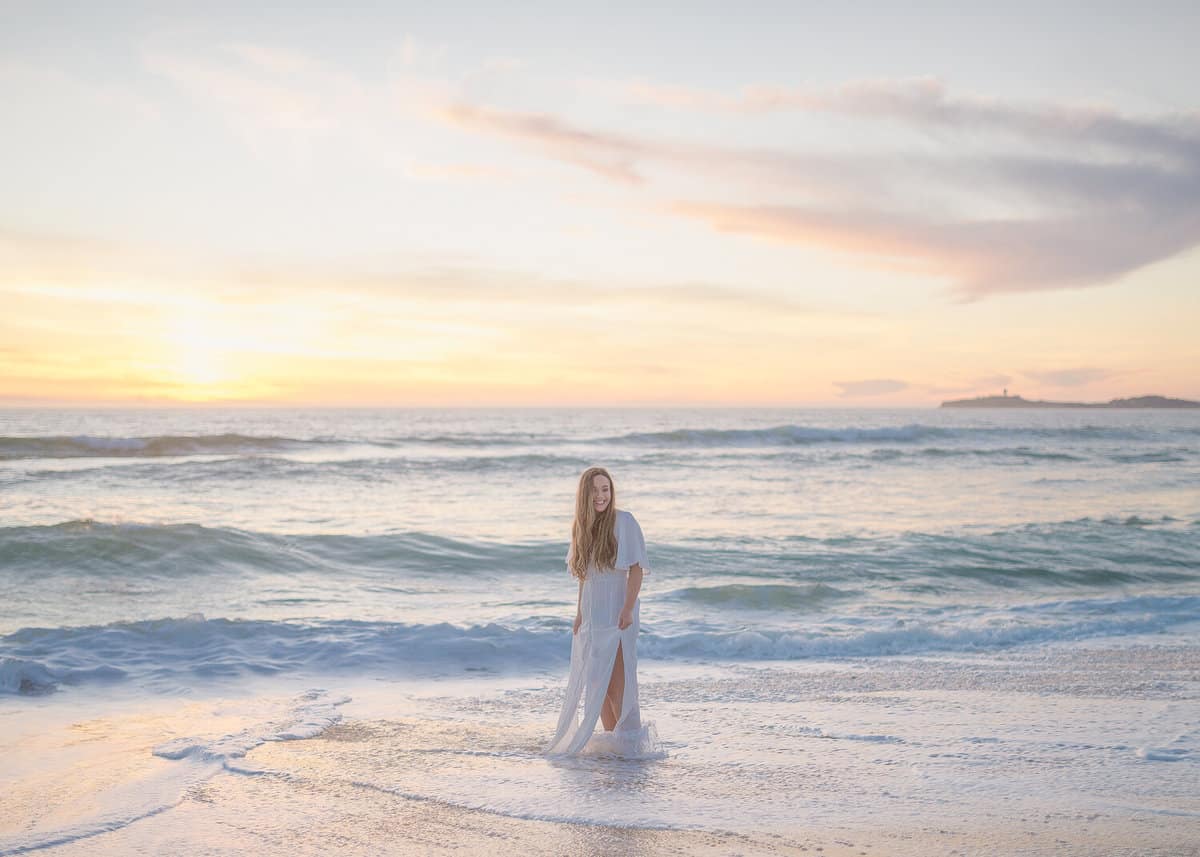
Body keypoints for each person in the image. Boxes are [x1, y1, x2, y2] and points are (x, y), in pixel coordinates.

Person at [544, 466, 662, 758]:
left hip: (617, 611)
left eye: (605, 489)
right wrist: (579, 614)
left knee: (620, 685)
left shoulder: (625, 521)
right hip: (592, 614)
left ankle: (631, 750)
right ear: (585, 494)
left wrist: (628, 608)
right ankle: (614, 749)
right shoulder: (581, 527)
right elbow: (585, 575)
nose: (601, 496)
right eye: (595, 490)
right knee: (598, 685)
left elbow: (636, 569)